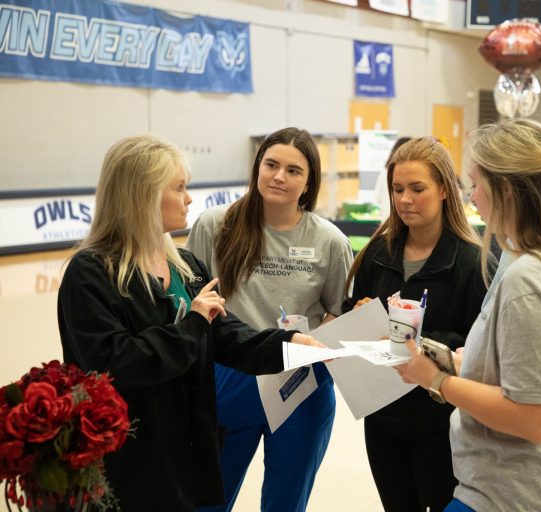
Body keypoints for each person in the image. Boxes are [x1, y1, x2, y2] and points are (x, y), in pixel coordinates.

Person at [57, 133, 324, 511]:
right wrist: (194, 322)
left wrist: (289, 344)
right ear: (143, 195)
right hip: (125, 454)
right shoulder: (91, 272)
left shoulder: (185, 266)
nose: (189, 199)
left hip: (182, 446)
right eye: (179, 188)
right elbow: (116, 361)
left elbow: (226, 335)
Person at [398, 119, 541, 511]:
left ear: (506, 189)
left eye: (476, 184)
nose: (472, 196)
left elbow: (536, 417)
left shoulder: (531, 279)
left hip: (514, 495)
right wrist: (469, 364)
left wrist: (436, 379)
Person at [186, 127, 352, 512]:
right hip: (229, 375)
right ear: (257, 166)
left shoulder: (330, 241)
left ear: (309, 181)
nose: (279, 176)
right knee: (206, 500)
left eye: (294, 171)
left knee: (286, 503)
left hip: (299, 384)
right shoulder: (215, 225)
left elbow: (339, 312)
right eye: (271, 165)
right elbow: (190, 302)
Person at [342, 137, 493, 512]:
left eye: (417, 188)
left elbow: (479, 346)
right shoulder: (378, 253)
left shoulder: (472, 263)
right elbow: (351, 314)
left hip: (440, 419)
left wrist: (414, 342)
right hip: (383, 416)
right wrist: (357, 313)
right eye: (397, 189)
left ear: (444, 189)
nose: (405, 199)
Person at [373, 136, 412, 220]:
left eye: (417, 190)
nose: (404, 199)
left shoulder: (384, 172)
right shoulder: (386, 172)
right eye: (398, 190)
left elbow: (377, 198)